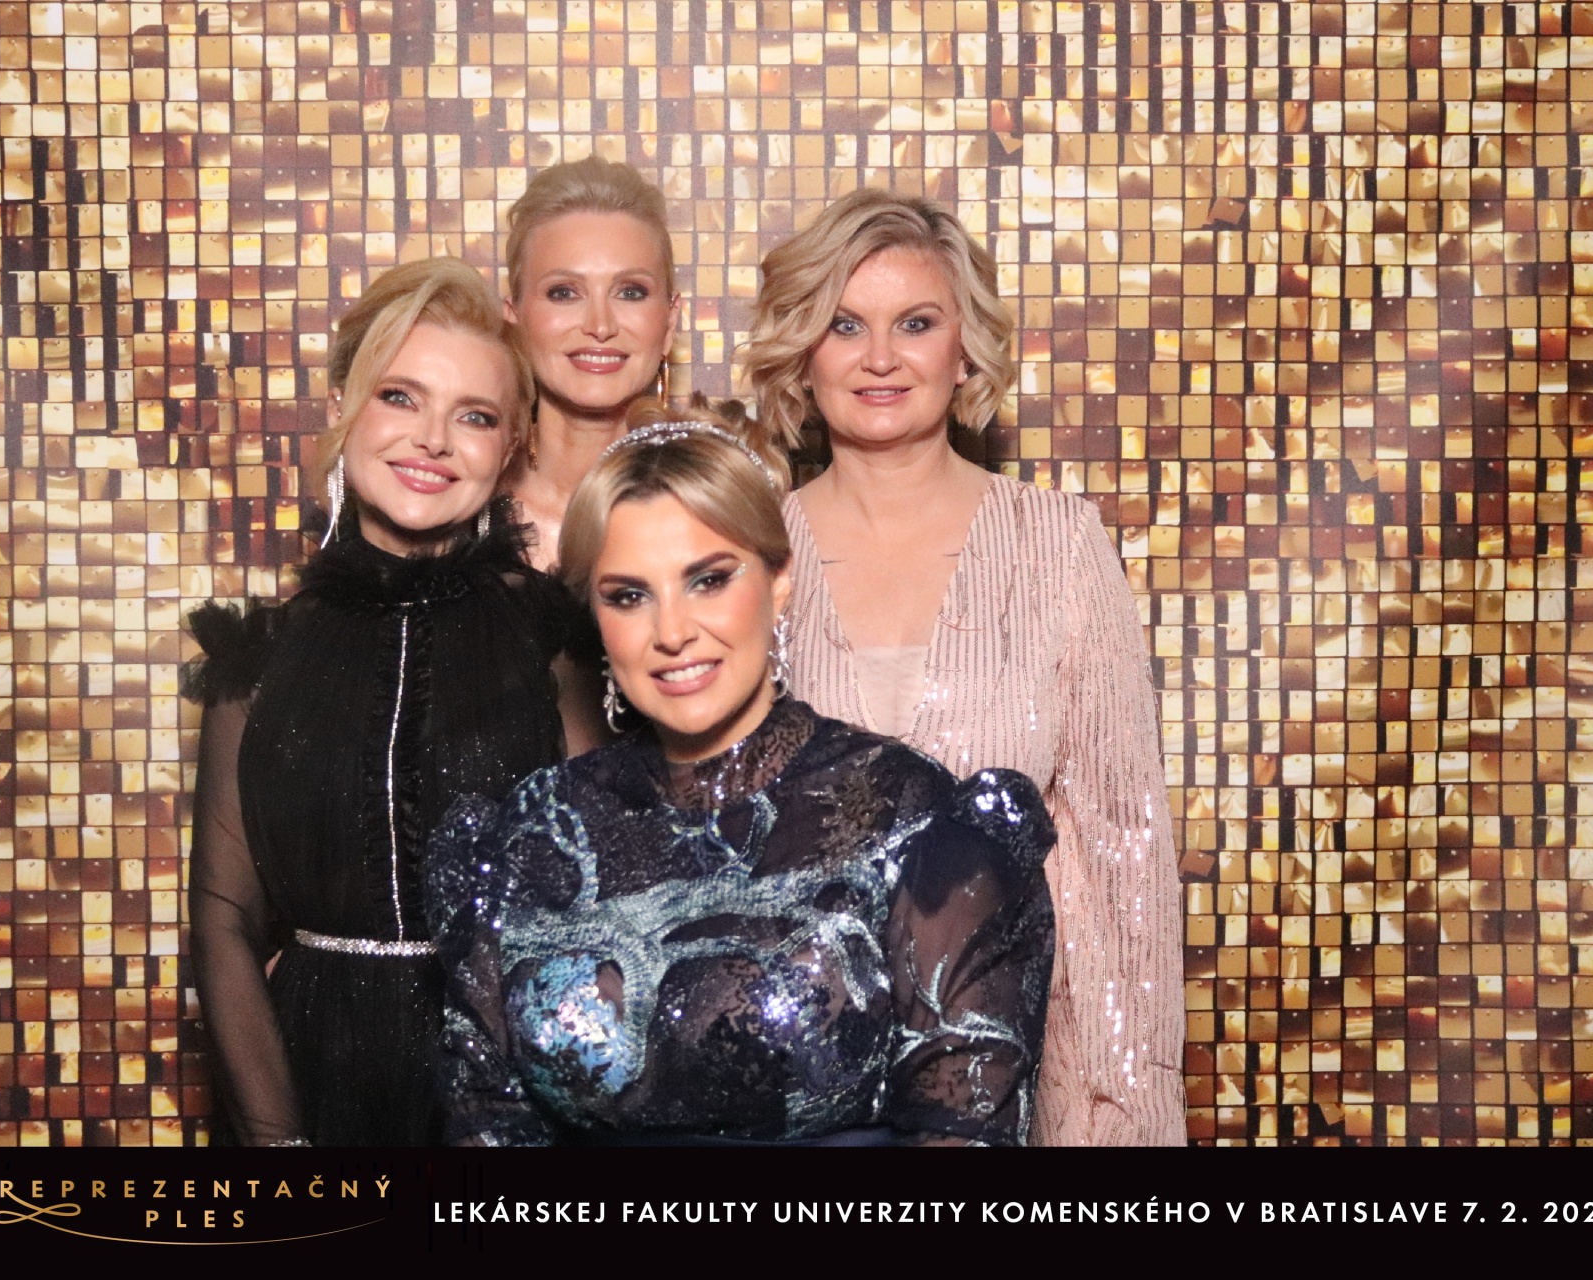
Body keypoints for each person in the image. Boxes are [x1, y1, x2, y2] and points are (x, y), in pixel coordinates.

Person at [429, 407, 1055, 1146]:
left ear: (779, 579)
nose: (671, 632)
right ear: (594, 616)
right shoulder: (533, 830)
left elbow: (963, 1126)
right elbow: (482, 1112)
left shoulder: (910, 817)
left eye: (708, 580)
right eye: (628, 595)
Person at [742, 189, 1187, 1146]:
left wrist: (1120, 1111)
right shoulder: (745, 553)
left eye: (916, 323)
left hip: (1012, 1083)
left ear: (964, 348)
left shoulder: (1058, 545)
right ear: (803, 350)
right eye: (844, 325)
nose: (880, 358)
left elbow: (1122, 850)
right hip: (791, 1094)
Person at [182, 257, 603, 1146]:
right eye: (400, 397)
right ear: (344, 404)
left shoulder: (553, 643)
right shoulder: (260, 658)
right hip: (307, 1084)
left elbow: (601, 907)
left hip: (511, 1100)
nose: (433, 439)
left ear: (511, 444)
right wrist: (280, 1151)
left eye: (474, 415)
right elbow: (224, 920)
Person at [500, 155, 683, 570]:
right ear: (515, 320)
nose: (600, 326)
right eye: (564, 292)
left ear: (670, 323)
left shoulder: (717, 514)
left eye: (630, 292)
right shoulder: (458, 512)